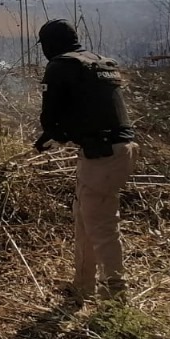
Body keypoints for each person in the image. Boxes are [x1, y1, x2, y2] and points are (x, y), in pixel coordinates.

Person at [34, 19, 137, 302]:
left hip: (102, 156)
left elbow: (51, 116)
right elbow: (93, 109)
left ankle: (115, 296)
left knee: (102, 225)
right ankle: (83, 286)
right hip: (118, 149)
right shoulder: (99, 62)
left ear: (50, 44)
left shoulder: (60, 66)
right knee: (85, 218)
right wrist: (55, 135)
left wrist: (54, 134)